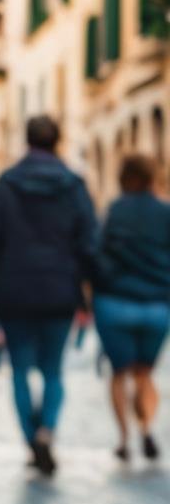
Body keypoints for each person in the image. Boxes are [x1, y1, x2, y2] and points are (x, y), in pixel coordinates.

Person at [0, 114, 97, 476]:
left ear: (26, 141)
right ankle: (46, 430)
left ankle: (31, 440)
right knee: (53, 372)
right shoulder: (74, 187)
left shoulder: (3, 186)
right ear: (57, 142)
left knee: (19, 371)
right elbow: (89, 244)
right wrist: (87, 292)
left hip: (14, 293)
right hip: (60, 291)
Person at [93, 153, 170, 462]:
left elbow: (96, 253)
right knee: (144, 374)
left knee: (118, 373)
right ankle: (147, 428)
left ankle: (124, 439)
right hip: (156, 305)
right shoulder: (165, 212)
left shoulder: (114, 211)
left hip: (114, 303)